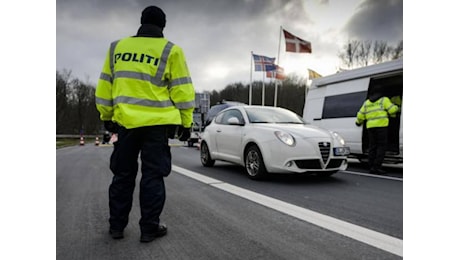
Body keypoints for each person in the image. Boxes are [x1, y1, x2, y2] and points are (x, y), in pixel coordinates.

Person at [95, 5, 195, 243]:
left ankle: (117, 227)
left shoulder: (116, 48)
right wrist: (186, 123)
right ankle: (149, 229)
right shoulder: (171, 50)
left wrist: (107, 116)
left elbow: (104, 87)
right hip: (157, 126)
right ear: (163, 26)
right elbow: (183, 90)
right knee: (153, 176)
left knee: (122, 175)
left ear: (140, 23)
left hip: (126, 124)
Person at [355, 89, 399, 175]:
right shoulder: (384, 100)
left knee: (372, 147)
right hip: (382, 126)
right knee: (381, 147)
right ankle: (376, 167)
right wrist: (396, 107)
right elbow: (392, 110)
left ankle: (371, 166)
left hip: (370, 127)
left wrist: (358, 122)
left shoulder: (367, 102)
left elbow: (360, 115)